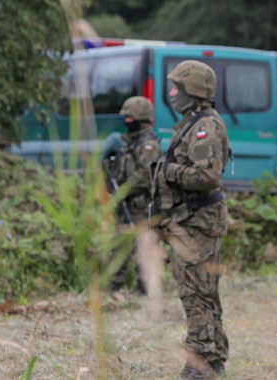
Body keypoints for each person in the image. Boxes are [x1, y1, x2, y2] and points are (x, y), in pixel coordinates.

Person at [153, 60, 230, 380]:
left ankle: (201, 362)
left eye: (176, 87)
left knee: (195, 293)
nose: (171, 93)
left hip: (199, 221)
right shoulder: (192, 122)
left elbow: (208, 176)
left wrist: (168, 171)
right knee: (203, 291)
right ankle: (213, 356)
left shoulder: (205, 126)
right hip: (190, 219)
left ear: (193, 91)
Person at [104, 95, 161, 291]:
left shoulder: (148, 145)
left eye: (131, 119)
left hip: (141, 204)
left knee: (142, 245)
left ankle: (145, 286)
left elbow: (146, 174)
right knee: (121, 244)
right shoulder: (126, 143)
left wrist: (125, 189)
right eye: (126, 118)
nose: (127, 122)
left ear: (142, 119)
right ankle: (114, 286)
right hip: (126, 202)